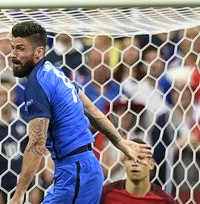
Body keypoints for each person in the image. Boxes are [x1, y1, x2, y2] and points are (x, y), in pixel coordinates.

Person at [8, 21, 152, 204]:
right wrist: (119, 141)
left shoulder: (37, 85)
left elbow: (37, 143)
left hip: (75, 173)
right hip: (83, 168)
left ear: (39, 52)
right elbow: (91, 109)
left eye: (20, 48)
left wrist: (19, 193)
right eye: (12, 48)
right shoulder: (55, 73)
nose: (13, 54)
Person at [100, 138, 176, 204]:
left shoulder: (164, 200)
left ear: (151, 164)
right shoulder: (106, 193)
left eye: (141, 158)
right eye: (130, 158)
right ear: (124, 164)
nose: (135, 163)